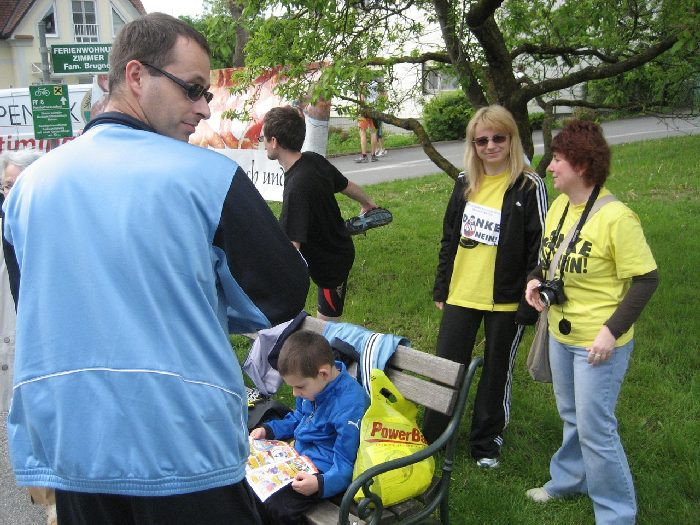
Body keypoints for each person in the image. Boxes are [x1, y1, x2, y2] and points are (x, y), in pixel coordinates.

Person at [3, 13, 309, 525]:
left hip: (75, 447)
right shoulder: (207, 177)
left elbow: (33, 298)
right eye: (193, 90)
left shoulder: (28, 189)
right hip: (181, 445)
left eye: (207, 94)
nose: (204, 109)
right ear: (137, 77)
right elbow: (283, 292)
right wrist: (201, 298)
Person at [524, 120, 658, 524]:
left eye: (558, 160)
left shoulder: (617, 218)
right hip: (560, 334)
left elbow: (646, 280)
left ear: (581, 165)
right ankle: (569, 480)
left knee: (596, 429)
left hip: (598, 343)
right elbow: (548, 257)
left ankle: (616, 514)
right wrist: (535, 278)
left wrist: (610, 331)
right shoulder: (561, 206)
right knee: (571, 415)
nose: (550, 167)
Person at [422, 105, 548, 469]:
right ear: (473, 145)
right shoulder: (465, 182)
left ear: (511, 140)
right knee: (446, 367)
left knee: (496, 373)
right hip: (462, 293)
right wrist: (441, 287)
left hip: (507, 301)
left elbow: (540, 246)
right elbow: (449, 238)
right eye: (482, 140)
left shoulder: (529, 185)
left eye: (498, 138)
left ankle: (485, 443)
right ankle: (431, 439)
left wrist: (531, 295)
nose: (490, 145)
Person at [262, 105, 379, 321]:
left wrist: (267, 283)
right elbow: (346, 185)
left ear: (275, 142)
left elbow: (292, 248)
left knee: (327, 329)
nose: (264, 144)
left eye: (264, 139)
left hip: (330, 264)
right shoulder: (313, 160)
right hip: (338, 248)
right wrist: (368, 202)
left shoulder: (296, 187)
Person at [250, 330, 368, 524]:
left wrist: (320, 484)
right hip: (297, 459)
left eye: (300, 387)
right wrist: (269, 430)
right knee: (254, 487)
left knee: (281, 507)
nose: (295, 394)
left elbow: (346, 462)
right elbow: (298, 418)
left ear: (323, 373)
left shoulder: (349, 405)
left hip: (322, 472)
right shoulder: (314, 389)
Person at [1, 151, 56, 525]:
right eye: (5, 186)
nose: (9, 195)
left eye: (15, 185)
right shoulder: (10, 224)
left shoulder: (57, 226)